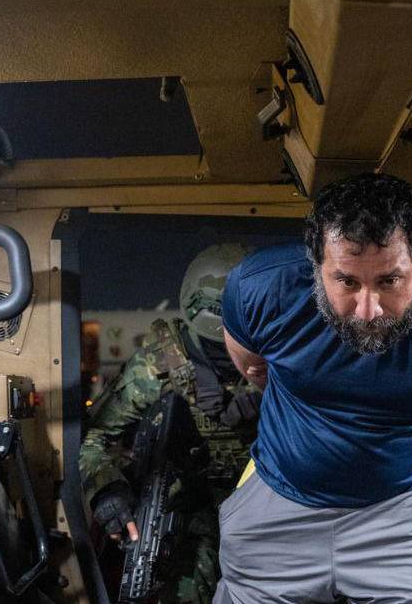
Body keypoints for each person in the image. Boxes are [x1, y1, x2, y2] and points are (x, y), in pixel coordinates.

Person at [215, 173, 412, 603]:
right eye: (347, 281)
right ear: (316, 266)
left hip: (410, 510)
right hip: (281, 497)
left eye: (389, 281)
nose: (367, 310)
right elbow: (255, 369)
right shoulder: (258, 290)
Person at [80, 243, 260, 604]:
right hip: (190, 510)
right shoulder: (156, 365)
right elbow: (93, 438)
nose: (233, 353)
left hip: (266, 505)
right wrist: (107, 490)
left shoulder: (286, 358)